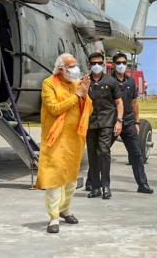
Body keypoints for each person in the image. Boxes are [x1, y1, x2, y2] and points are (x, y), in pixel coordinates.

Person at [36, 53, 92, 234]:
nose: (75, 69)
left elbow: (88, 107)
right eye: (71, 66)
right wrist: (77, 96)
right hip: (55, 138)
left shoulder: (76, 84)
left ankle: (65, 209)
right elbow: (54, 109)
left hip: (74, 139)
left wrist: (84, 92)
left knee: (71, 179)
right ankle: (53, 217)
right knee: (55, 178)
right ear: (61, 69)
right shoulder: (48, 84)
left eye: (76, 65)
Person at [111, 53, 154, 194]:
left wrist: (136, 121)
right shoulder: (109, 81)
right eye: (118, 63)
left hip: (129, 122)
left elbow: (135, 103)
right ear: (113, 64)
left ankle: (142, 184)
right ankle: (93, 183)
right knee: (102, 153)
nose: (121, 65)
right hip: (113, 123)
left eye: (124, 62)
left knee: (136, 153)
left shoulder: (130, 82)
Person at [85, 52, 124, 200]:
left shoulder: (110, 81)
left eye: (99, 63)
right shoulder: (85, 81)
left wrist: (119, 121)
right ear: (89, 64)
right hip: (90, 123)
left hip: (107, 122)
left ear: (103, 64)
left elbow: (119, 102)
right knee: (92, 154)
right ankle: (95, 187)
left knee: (103, 152)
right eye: (93, 63)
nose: (96, 66)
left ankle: (105, 186)